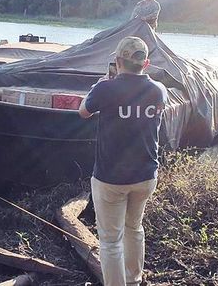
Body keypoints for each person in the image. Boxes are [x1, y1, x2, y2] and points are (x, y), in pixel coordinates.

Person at [78, 36, 167, 286]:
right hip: (147, 175)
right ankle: (134, 280)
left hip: (111, 177)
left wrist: (98, 86)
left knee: (110, 240)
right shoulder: (159, 90)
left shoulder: (106, 88)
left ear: (117, 61)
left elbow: (83, 112)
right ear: (146, 63)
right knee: (134, 228)